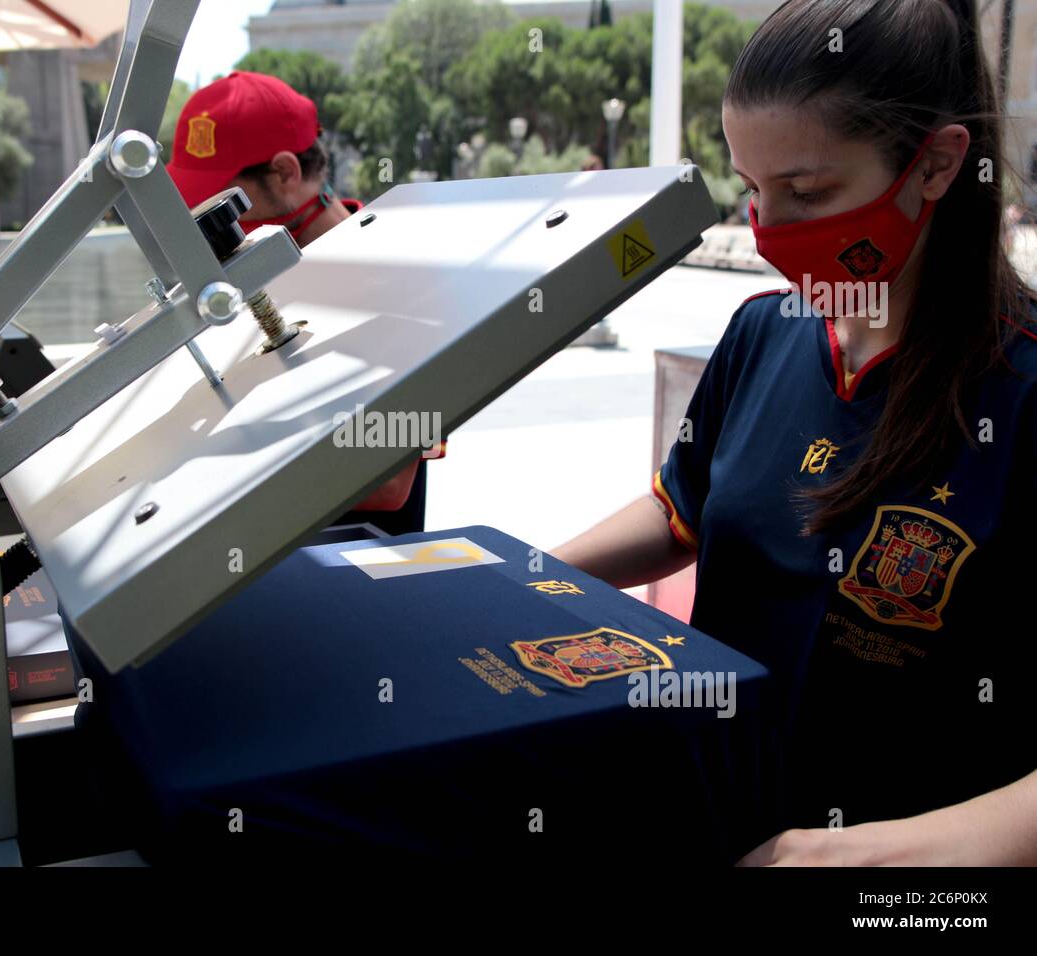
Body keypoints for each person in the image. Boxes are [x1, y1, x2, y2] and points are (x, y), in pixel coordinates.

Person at [554, 0, 1037, 865]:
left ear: (934, 165)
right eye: (751, 189)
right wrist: (525, 578)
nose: (770, 227)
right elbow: (681, 511)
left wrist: (843, 858)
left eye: (807, 192)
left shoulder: (1026, 388)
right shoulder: (764, 331)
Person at [166, 70, 440, 534]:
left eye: (218, 205)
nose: (199, 226)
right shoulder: (248, 284)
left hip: (353, 571)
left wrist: (186, 470)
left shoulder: (402, 279)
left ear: (286, 173)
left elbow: (389, 483)